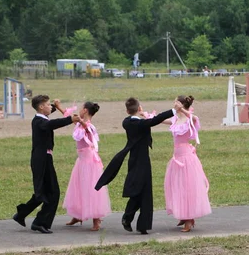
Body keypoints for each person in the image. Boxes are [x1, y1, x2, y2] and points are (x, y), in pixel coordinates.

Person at [95, 97, 179, 235]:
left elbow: (149, 121)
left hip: (133, 159)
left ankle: (132, 220)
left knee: (140, 190)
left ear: (127, 110)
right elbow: (156, 120)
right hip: (143, 161)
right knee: (145, 191)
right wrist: (174, 110)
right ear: (139, 108)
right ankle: (136, 221)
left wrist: (142, 115)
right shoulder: (141, 124)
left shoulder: (127, 122)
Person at [13, 95, 80, 233]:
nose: (50, 107)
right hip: (41, 159)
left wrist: (55, 105)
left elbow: (48, 117)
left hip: (45, 158)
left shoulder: (41, 117)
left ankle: (22, 213)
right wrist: (69, 119)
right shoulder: (39, 121)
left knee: (43, 192)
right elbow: (50, 125)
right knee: (53, 192)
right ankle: (40, 222)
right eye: (48, 105)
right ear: (41, 107)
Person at [163, 95, 211, 232]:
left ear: (181, 104)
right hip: (177, 158)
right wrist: (146, 117)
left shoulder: (189, 119)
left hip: (186, 158)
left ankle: (189, 219)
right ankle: (184, 216)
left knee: (187, 187)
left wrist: (183, 111)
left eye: (176, 102)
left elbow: (195, 118)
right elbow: (162, 120)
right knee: (178, 187)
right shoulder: (175, 119)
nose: (174, 104)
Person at [63, 102, 111, 231]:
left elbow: (87, 128)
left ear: (84, 111)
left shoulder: (89, 126)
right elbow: (67, 116)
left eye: (81, 109)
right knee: (78, 187)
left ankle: (96, 220)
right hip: (81, 160)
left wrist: (81, 121)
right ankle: (77, 215)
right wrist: (58, 107)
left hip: (89, 162)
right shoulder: (79, 123)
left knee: (91, 188)